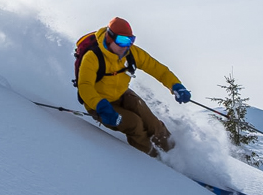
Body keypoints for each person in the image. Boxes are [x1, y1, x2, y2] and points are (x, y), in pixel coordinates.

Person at [75, 17, 191, 157]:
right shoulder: (93, 57)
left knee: (153, 124)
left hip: (122, 94)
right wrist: (100, 106)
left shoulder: (132, 53)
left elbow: (158, 69)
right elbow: (84, 86)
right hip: (99, 103)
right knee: (134, 124)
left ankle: (177, 156)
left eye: (131, 41)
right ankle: (156, 161)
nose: (126, 46)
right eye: (122, 41)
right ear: (110, 38)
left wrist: (176, 85)